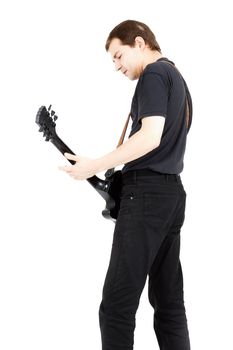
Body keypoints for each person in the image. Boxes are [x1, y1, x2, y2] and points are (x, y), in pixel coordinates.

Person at [59, 19, 192, 350]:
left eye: (118, 56)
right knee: (169, 305)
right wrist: (106, 165)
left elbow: (150, 137)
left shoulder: (154, 75)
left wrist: (96, 164)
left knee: (117, 307)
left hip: (146, 196)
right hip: (171, 195)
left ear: (140, 43)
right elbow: (156, 142)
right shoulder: (177, 80)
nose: (116, 66)